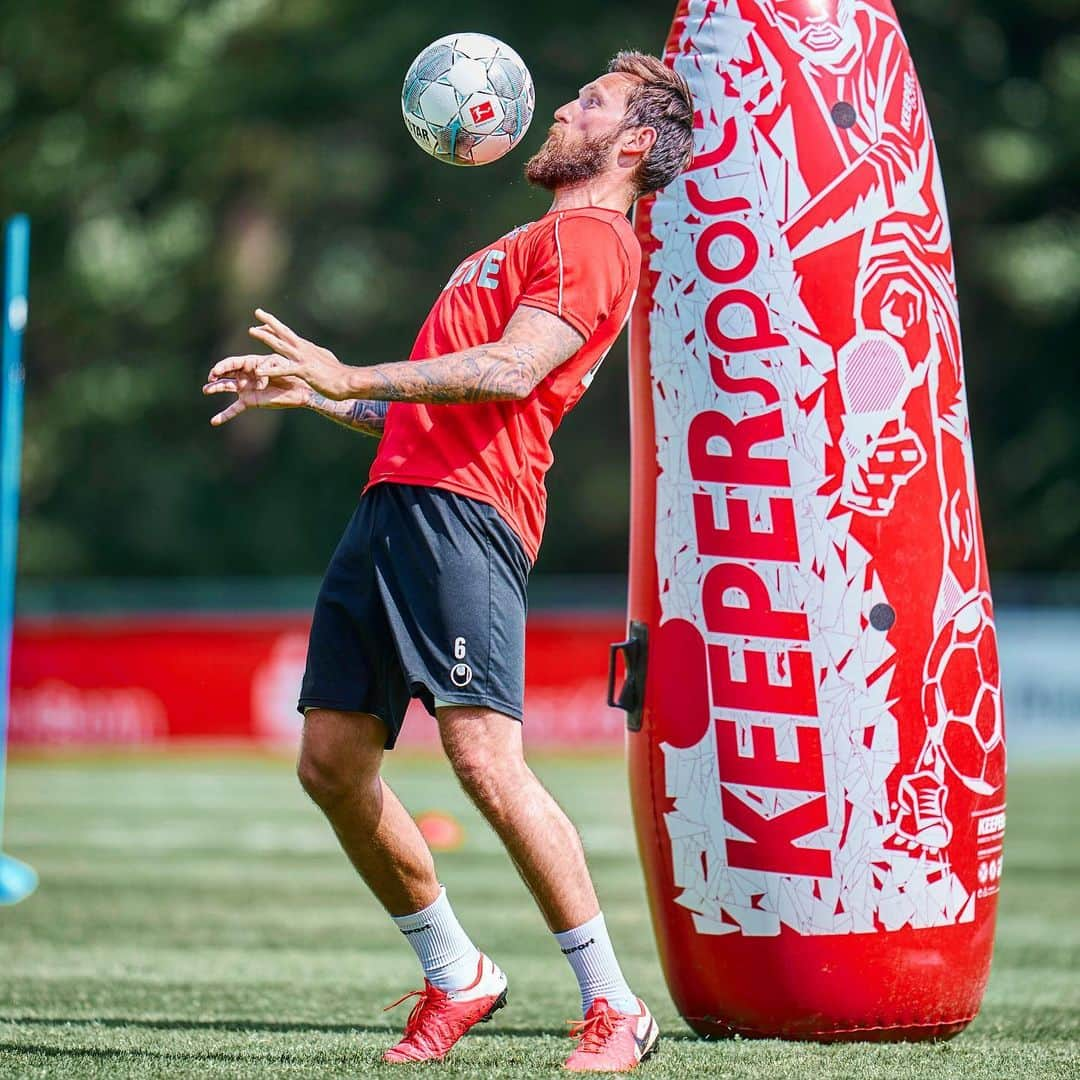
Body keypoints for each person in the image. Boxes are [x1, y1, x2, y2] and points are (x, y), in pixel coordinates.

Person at [203, 51, 693, 1072]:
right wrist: (325, 396)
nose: (562, 108)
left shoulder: (598, 239)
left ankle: (615, 1008)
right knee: (332, 765)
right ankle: (459, 974)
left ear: (633, 145)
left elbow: (511, 369)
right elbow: (427, 405)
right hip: (392, 506)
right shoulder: (523, 240)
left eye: (589, 103)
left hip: (469, 520)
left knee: (483, 761)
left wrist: (350, 365)